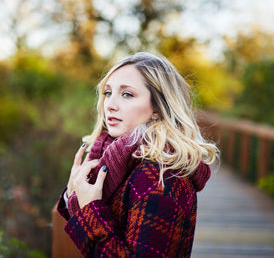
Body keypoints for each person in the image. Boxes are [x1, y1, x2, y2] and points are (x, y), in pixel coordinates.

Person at [57, 52, 218, 257]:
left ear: (158, 109)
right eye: (108, 93)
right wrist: (72, 191)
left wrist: (89, 208)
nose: (110, 104)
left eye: (127, 94)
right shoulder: (114, 157)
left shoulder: (160, 177)